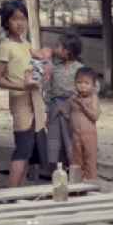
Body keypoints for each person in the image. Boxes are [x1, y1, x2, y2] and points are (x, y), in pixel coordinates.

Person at [0, 0, 47, 187]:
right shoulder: (5, 46)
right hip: (20, 100)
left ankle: (18, 192)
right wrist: (22, 86)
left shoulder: (25, 43)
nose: (20, 23)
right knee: (22, 148)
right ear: (7, 22)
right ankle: (11, 193)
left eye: (23, 19)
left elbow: (35, 64)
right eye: (15, 19)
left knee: (29, 149)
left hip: (34, 98)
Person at [46, 31, 85, 166]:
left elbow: (92, 87)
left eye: (58, 46)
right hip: (55, 108)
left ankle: (74, 169)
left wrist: (72, 102)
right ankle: (54, 170)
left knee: (70, 139)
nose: (55, 49)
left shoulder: (80, 69)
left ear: (67, 51)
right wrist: (47, 110)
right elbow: (49, 89)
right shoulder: (54, 68)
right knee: (54, 139)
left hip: (72, 108)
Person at [62, 66, 100, 181]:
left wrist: (83, 106)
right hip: (75, 135)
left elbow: (95, 116)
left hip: (89, 136)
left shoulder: (93, 98)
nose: (82, 85)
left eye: (86, 83)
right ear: (75, 83)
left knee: (90, 160)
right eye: (79, 82)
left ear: (93, 86)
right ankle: (77, 187)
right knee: (76, 162)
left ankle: (91, 185)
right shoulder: (73, 98)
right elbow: (65, 113)